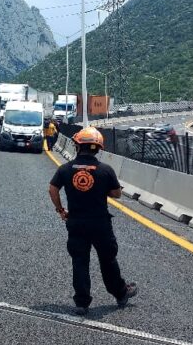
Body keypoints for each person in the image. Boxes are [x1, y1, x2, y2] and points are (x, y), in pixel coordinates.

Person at [48, 126, 137, 316]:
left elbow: (52, 189)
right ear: (97, 148)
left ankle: (82, 302)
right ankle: (120, 293)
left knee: (80, 261)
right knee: (107, 260)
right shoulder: (106, 170)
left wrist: (61, 210)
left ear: (77, 146)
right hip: (100, 224)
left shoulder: (65, 169)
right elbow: (117, 194)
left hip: (76, 222)